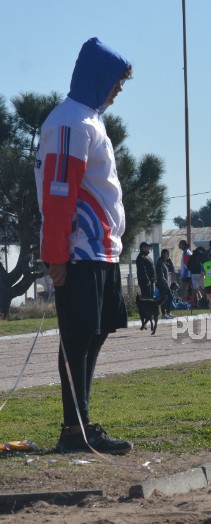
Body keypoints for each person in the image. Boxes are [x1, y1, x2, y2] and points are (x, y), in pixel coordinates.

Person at [34, 37, 135, 455]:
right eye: (116, 81)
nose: (119, 90)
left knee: (95, 333)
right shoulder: (69, 122)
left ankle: (82, 422)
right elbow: (60, 191)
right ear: (97, 77)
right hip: (79, 252)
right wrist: (56, 254)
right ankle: (74, 431)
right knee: (77, 338)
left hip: (101, 251)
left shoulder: (89, 120)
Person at [156, 248, 174, 319]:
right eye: (167, 253)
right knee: (167, 297)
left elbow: (171, 269)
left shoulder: (164, 261)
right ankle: (164, 314)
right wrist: (166, 283)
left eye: (169, 253)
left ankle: (167, 313)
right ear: (163, 254)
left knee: (166, 297)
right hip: (162, 284)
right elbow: (160, 275)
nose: (168, 254)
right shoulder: (160, 262)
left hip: (166, 283)